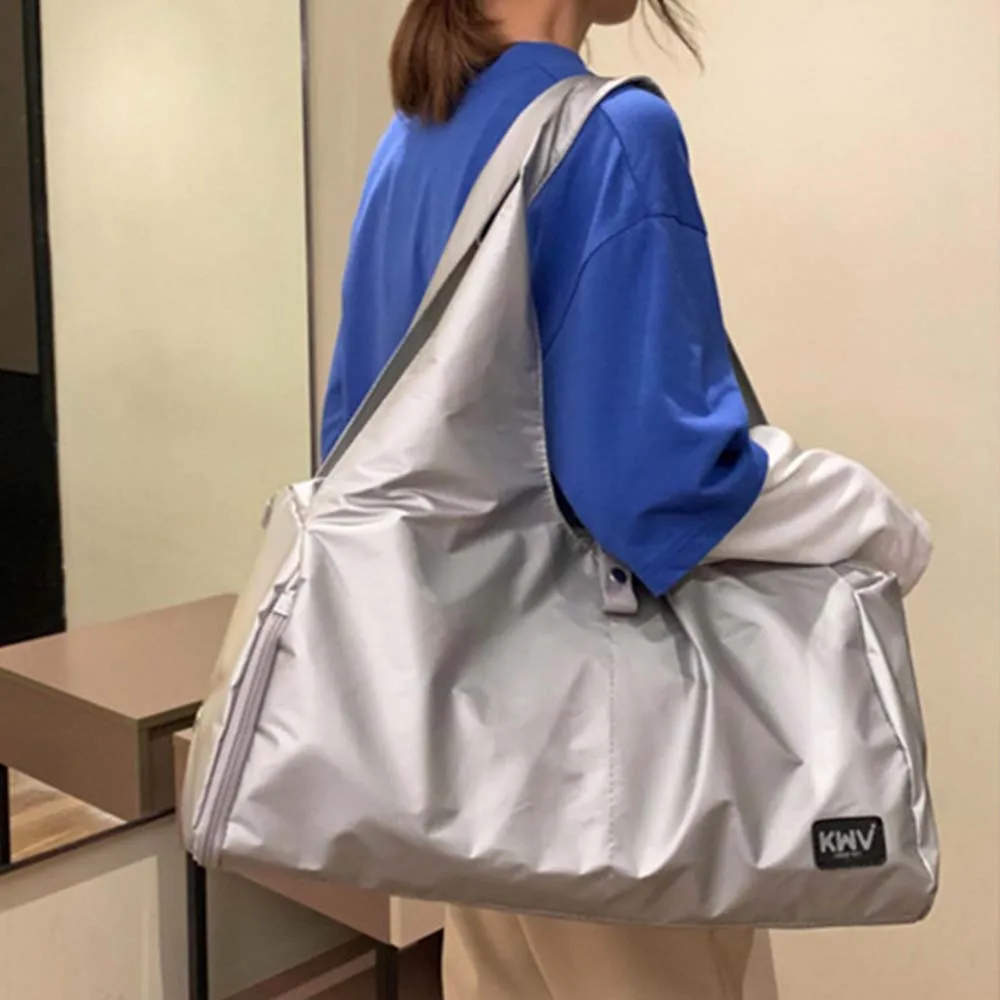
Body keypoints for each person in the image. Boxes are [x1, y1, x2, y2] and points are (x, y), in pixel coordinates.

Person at [321, 1, 932, 997]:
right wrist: (867, 515)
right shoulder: (607, 130)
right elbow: (653, 482)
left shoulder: (412, 140)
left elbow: (359, 448)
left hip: (464, 740)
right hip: (604, 762)